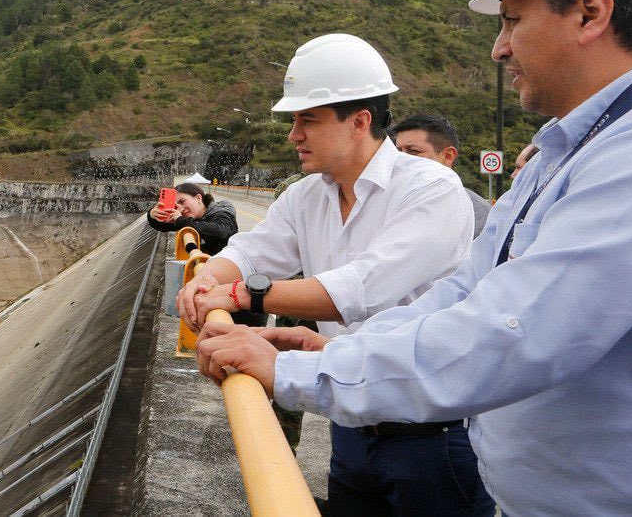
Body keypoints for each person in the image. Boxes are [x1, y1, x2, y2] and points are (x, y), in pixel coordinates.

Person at [194, 0, 632, 515]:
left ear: (590, 13)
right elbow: (466, 293)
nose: (499, 48)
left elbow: (513, 332)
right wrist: (339, 351)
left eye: (512, 20)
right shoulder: (565, 154)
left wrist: (297, 371)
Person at [177, 33, 489, 515]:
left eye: (308, 120)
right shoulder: (307, 196)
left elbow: (361, 288)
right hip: (351, 424)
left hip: (430, 436)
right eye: (294, 121)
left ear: (359, 121)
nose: (293, 135)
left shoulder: (431, 189)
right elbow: (253, 251)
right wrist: (208, 277)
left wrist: (240, 295)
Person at [148, 182, 265, 325]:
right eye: (176, 205)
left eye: (182, 201)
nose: (181, 209)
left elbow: (220, 231)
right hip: (215, 287)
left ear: (198, 198)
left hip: (241, 292)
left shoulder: (222, 210)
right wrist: (152, 215)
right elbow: (163, 225)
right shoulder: (190, 219)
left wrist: (180, 220)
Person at [391, 113, 491, 237]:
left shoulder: (477, 213)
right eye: (398, 151)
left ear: (448, 156)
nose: (400, 160)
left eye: (413, 151)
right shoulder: (388, 199)